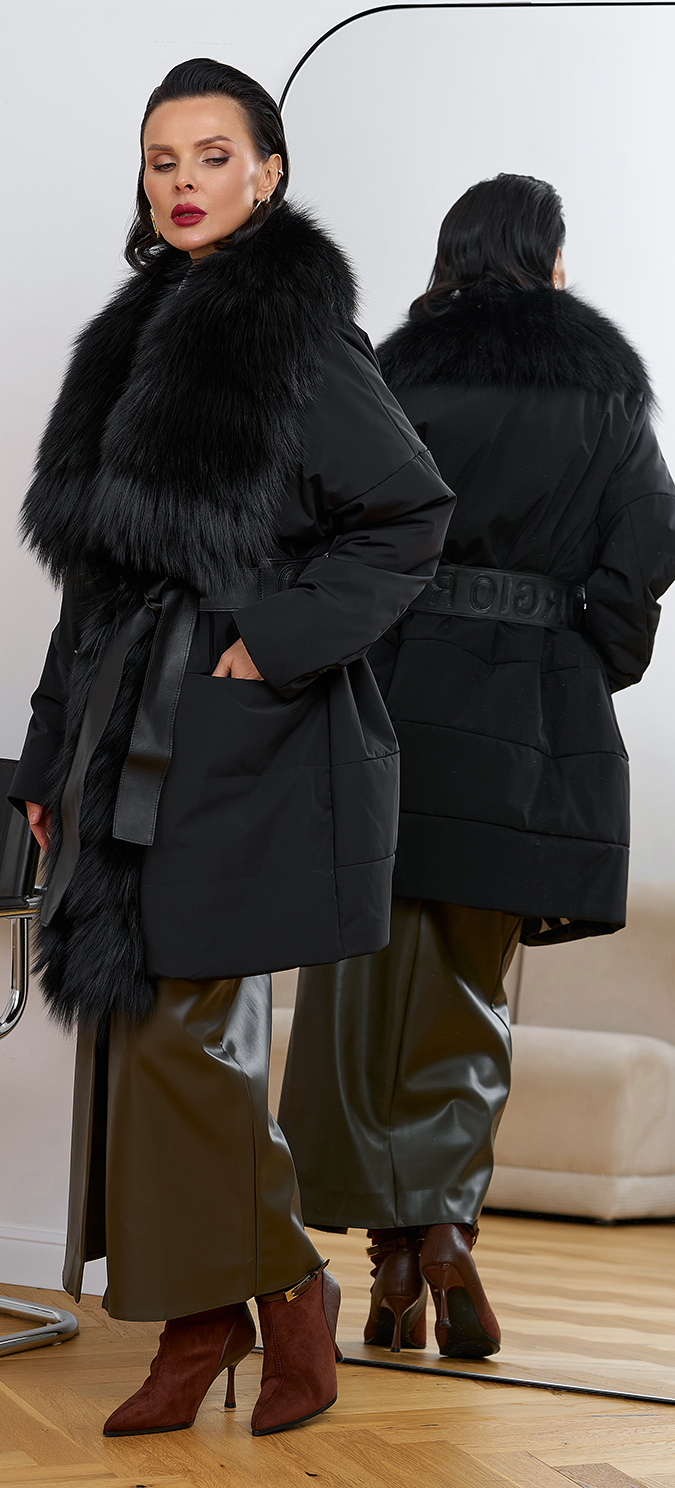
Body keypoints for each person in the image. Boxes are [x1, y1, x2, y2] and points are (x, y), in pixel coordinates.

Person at [8, 58, 454, 1438]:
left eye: (212, 155)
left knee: (184, 1028)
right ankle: (202, 1320)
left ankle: (280, 1289)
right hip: (117, 719)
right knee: (142, 1026)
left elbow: (408, 514)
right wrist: (46, 758)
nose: (185, 182)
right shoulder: (131, 335)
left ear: (267, 170)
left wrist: (266, 642)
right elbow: (92, 583)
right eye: (162, 161)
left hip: (233, 724)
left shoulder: (291, 334)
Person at [278, 173, 675, 1362]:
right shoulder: (604, 386)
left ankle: (390, 1264)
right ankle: (442, 1232)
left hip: (384, 702)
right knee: (465, 987)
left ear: (447, 259)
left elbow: (316, 528)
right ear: (548, 261)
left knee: (354, 996)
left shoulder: (391, 372)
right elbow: (648, 534)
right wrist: (583, 654)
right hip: (523, 720)